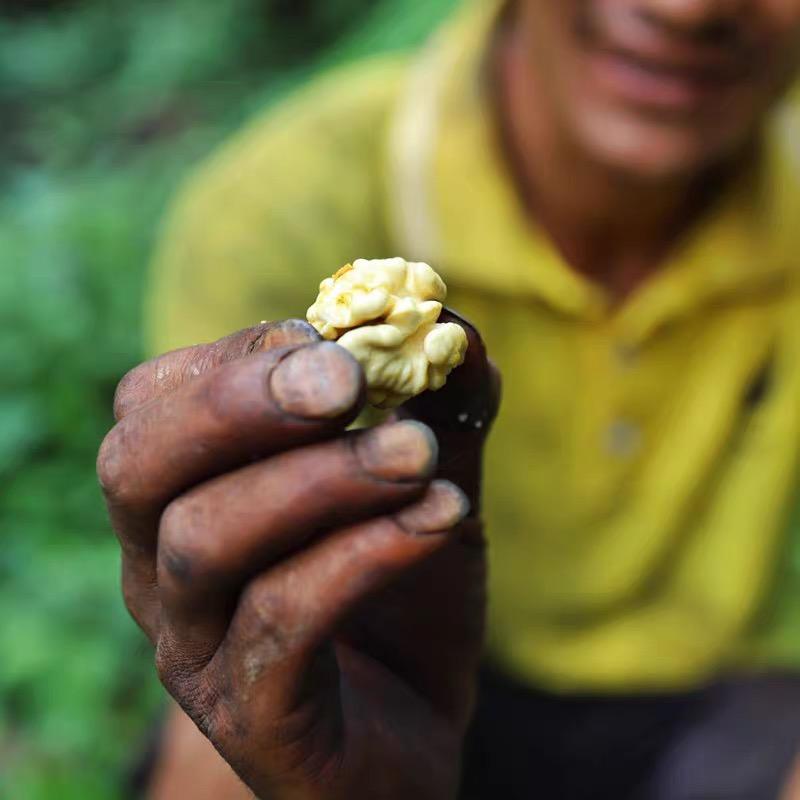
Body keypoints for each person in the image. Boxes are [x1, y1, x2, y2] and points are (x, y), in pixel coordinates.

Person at [98, 0, 800, 797]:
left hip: (715, 710)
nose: (686, 10)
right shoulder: (288, 202)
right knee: (229, 744)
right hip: (381, 669)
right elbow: (233, 605)